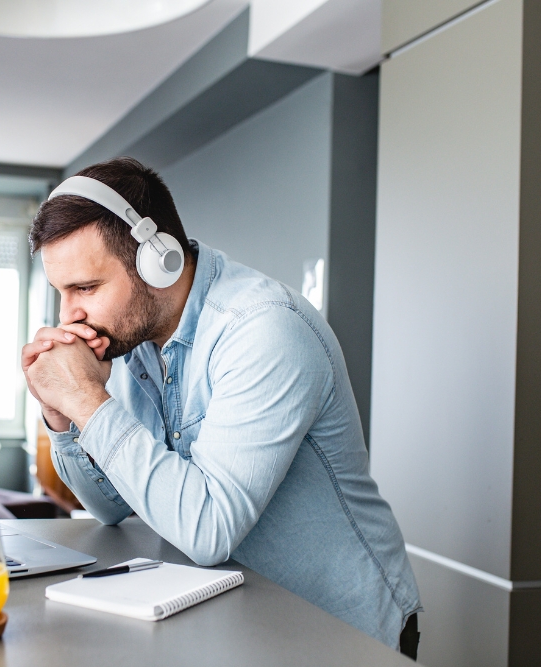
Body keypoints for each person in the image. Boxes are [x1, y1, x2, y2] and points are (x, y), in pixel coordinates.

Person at [22, 157, 421, 656]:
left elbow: (207, 529)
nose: (68, 315)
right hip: (247, 623)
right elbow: (109, 507)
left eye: (85, 287)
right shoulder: (131, 337)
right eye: (61, 292)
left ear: (156, 260)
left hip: (342, 632)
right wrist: (63, 416)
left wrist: (87, 398)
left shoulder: (264, 332)